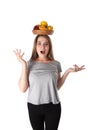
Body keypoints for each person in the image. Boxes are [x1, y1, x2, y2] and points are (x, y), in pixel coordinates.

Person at [14, 34, 85, 130]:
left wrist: (68, 71)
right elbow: (23, 89)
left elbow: (57, 87)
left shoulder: (56, 64)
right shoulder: (29, 64)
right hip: (34, 106)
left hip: (53, 107)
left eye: (46, 44)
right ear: (35, 46)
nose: (42, 47)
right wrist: (23, 64)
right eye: (39, 43)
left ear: (49, 47)